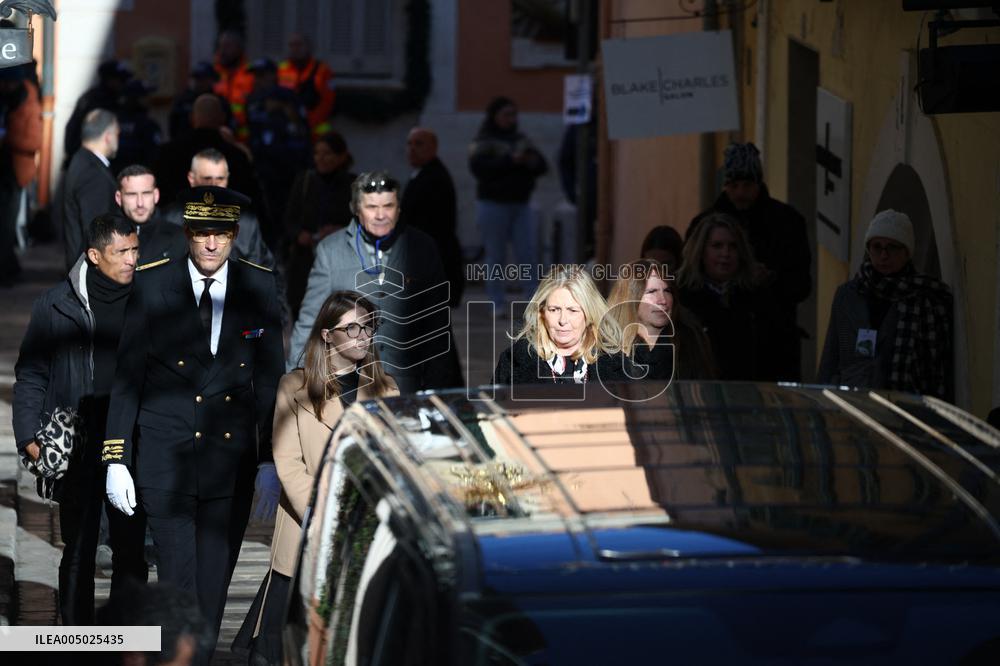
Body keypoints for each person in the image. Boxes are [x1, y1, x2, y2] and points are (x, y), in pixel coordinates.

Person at [102, 186, 285, 657]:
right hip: (166, 458)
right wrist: (115, 456)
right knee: (178, 590)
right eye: (201, 233)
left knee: (213, 591)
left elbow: (269, 383)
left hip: (230, 466)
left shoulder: (259, 285)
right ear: (186, 233)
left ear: (234, 235)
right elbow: (128, 377)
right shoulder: (151, 283)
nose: (210, 245)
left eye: (220, 235)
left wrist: (270, 460)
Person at [234, 290, 398, 665]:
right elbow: (289, 461)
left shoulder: (386, 388)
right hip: (307, 522)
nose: (362, 336)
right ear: (327, 335)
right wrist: (329, 507)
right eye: (352, 327)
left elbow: (392, 456)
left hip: (365, 524)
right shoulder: (295, 387)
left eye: (368, 328)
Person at [13, 213, 148, 625]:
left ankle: (127, 643)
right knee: (79, 549)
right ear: (93, 255)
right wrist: (29, 436)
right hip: (77, 443)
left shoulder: (150, 298)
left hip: (133, 439)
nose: (130, 260)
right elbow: (32, 373)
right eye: (120, 252)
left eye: (134, 250)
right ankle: (76, 642)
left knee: (131, 550)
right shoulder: (56, 304)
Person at [288, 170, 462, 393]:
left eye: (388, 206)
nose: (381, 215)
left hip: (406, 385)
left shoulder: (422, 247)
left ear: (399, 209)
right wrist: (296, 377)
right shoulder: (330, 251)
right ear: (356, 210)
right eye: (372, 207)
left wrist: (439, 387)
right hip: (346, 385)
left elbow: (437, 325)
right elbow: (310, 321)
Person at [688, 142, 811, 381]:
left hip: (774, 343)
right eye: (734, 185)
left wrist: (770, 279)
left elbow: (801, 284)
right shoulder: (703, 225)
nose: (740, 193)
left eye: (747, 185)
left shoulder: (787, 223)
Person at [818, 210, 953, 400]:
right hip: (853, 402)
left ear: (907, 252)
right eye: (877, 247)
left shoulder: (925, 300)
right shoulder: (848, 295)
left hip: (904, 406)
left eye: (892, 247)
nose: (883, 255)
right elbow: (830, 357)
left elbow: (936, 369)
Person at [677, 213, 781, 381]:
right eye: (717, 246)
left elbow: (774, 352)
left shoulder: (757, 295)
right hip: (697, 393)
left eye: (733, 246)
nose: (725, 253)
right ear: (701, 251)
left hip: (748, 395)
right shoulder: (681, 297)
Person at [493, 265, 635, 386]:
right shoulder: (514, 361)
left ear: (590, 314)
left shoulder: (616, 365)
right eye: (554, 310)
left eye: (573, 310)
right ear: (541, 313)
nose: (563, 320)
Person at [469, 96, 548, 310]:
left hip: (520, 204)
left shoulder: (521, 140)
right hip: (493, 204)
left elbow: (541, 165)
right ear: (495, 116)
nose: (511, 119)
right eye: (506, 114)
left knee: (527, 254)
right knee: (495, 256)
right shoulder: (485, 141)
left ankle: (533, 301)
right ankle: (497, 302)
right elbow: (478, 168)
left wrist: (528, 160)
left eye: (513, 114)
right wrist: (509, 161)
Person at [284, 132, 356, 318]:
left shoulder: (353, 185)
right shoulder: (306, 181)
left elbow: (364, 223)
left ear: (341, 157)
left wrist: (339, 231)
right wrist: (300, 234)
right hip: (305, 262)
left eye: (327, 153)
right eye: (318, 153)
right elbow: (290, 219)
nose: (321, 159)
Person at [608, 259, 716, 381]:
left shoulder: (690, 341)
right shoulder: (609, 348)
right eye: (652, 291)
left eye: (667, 291)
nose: (662, 300)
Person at [153, 93, 263, 209]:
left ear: (192, 118)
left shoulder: (168, 153)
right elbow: (252, 200)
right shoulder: (236, 157)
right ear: (222, 118)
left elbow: (158, 196)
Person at [245, 57, 310, 247]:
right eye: (256, 76)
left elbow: (299, 128)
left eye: (262, 75)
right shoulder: (253, 100)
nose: (258, 80)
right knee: (266, 210)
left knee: (289, 209)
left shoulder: (287, 96)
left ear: (273, 76)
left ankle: (287, 246)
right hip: (262, 164)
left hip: (288, 164)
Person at [401, 127, 465, 307]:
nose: (412, 149)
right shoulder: (423, 174)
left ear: (433, 148)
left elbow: (427, 224)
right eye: (409, 144)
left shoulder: (433, 178)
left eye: (419, 144)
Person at [0, 61, 41, 286]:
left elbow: (33, 141)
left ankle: (7, 270)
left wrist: (7, 137)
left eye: (8, 83)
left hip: (14, 172)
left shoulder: (26, 101)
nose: (5, 87)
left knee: (6, 224)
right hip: (7, 168)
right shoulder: (10, 98)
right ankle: (9, 267)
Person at [63, 109, 120, 270]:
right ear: (108, 137)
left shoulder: (81, 160)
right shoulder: (93, 172)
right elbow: (95, 229)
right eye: (117, 134)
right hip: (90, 271)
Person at [115, 164, 186, 264]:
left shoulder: (179, 237)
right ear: (119, 198)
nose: (140, 203)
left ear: (156, 195)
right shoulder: (103, 238)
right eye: (131, 194)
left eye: (146, 193)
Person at [63, 60, 131, 162]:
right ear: (109, 80)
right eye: (120, 80)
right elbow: (75, 133)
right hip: (89, 161)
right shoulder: (95, 101)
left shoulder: (117, 100)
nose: (123, 84)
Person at [278, 33, 336, 140]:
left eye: (299, 45)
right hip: (287, 128)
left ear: (309, 47)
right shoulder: (281, 69)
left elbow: (327, 101)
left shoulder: (322, 70)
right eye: (292, 45)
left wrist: (308, 122)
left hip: (315, 131)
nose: (295, 49)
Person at [110, 79, 163, 177]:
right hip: (139, 176)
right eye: (145, 96)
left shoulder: (112, 121)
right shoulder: (148, 125)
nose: (149, 99)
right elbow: (155, 156)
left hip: (114, 176)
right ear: (137, 99)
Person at [168, 60, 231, 141]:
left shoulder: (220, 102)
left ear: (211, 79)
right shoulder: (183, 101)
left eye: (203, 78)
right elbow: (173, 126)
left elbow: (227, 126)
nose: (199, 82)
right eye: (197, 78)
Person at [213, 30, 255, 143]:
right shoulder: (213, 75)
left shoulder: (251, 75)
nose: (222, 51)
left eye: (227, 46)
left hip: (244, 141)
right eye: (220, 46)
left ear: (239, 49)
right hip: (218, 138)